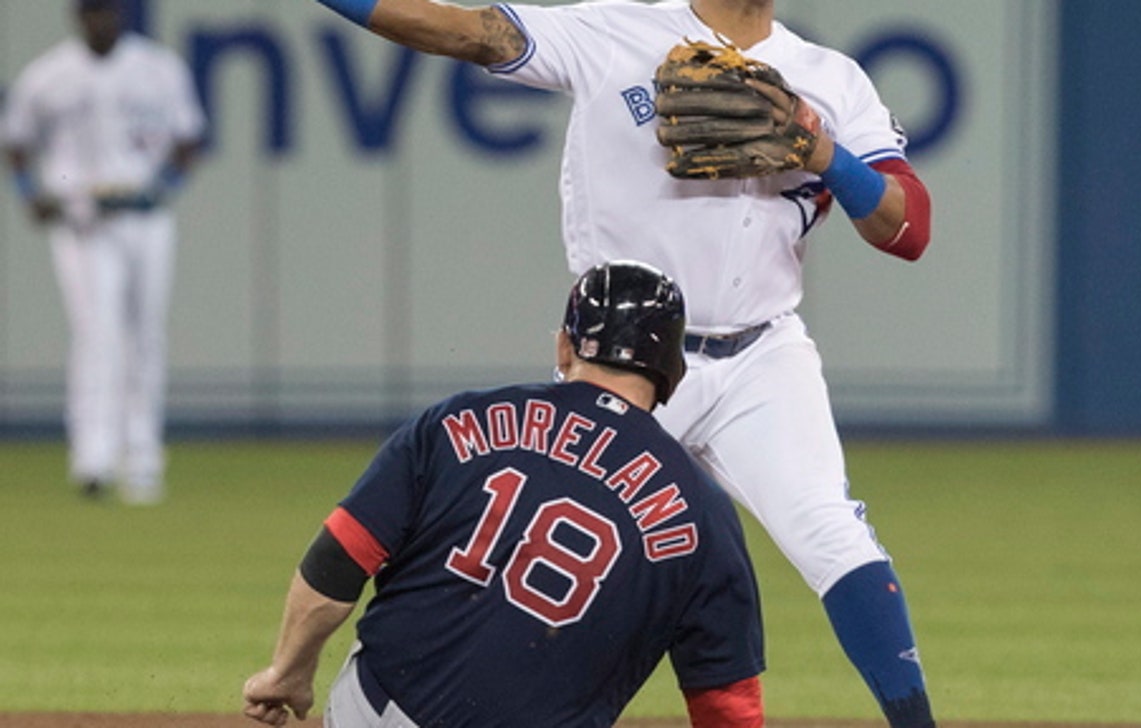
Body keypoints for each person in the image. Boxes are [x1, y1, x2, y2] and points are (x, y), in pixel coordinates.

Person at [311, 1, 937, 726]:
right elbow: (471, 30)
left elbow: (909, 228)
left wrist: (823, 151)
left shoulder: (833, 80)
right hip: (622, 358)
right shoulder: (615, 31)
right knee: (555, 561)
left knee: (832, 533)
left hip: (763, 356)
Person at [242, 261, 765, 727]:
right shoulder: (704, 511)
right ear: (673, 373)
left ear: (564, 345)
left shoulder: (457, 418)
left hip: (377, 711)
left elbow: (339, 557)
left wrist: (288, 674)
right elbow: (728, 701)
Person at [2, 0, 205, 505]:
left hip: (144, 214)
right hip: (83, 218)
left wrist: (162, 186)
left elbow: (188, 138)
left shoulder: (157, 68)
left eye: (107, 11)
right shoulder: (49, 75)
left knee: (146, 334)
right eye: (92, 12)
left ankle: (142, 461)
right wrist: (30, 193)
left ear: (120, 15)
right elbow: (16, 141)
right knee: (98, 333)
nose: (101, 21)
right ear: (78, 17)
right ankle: (93, 458)